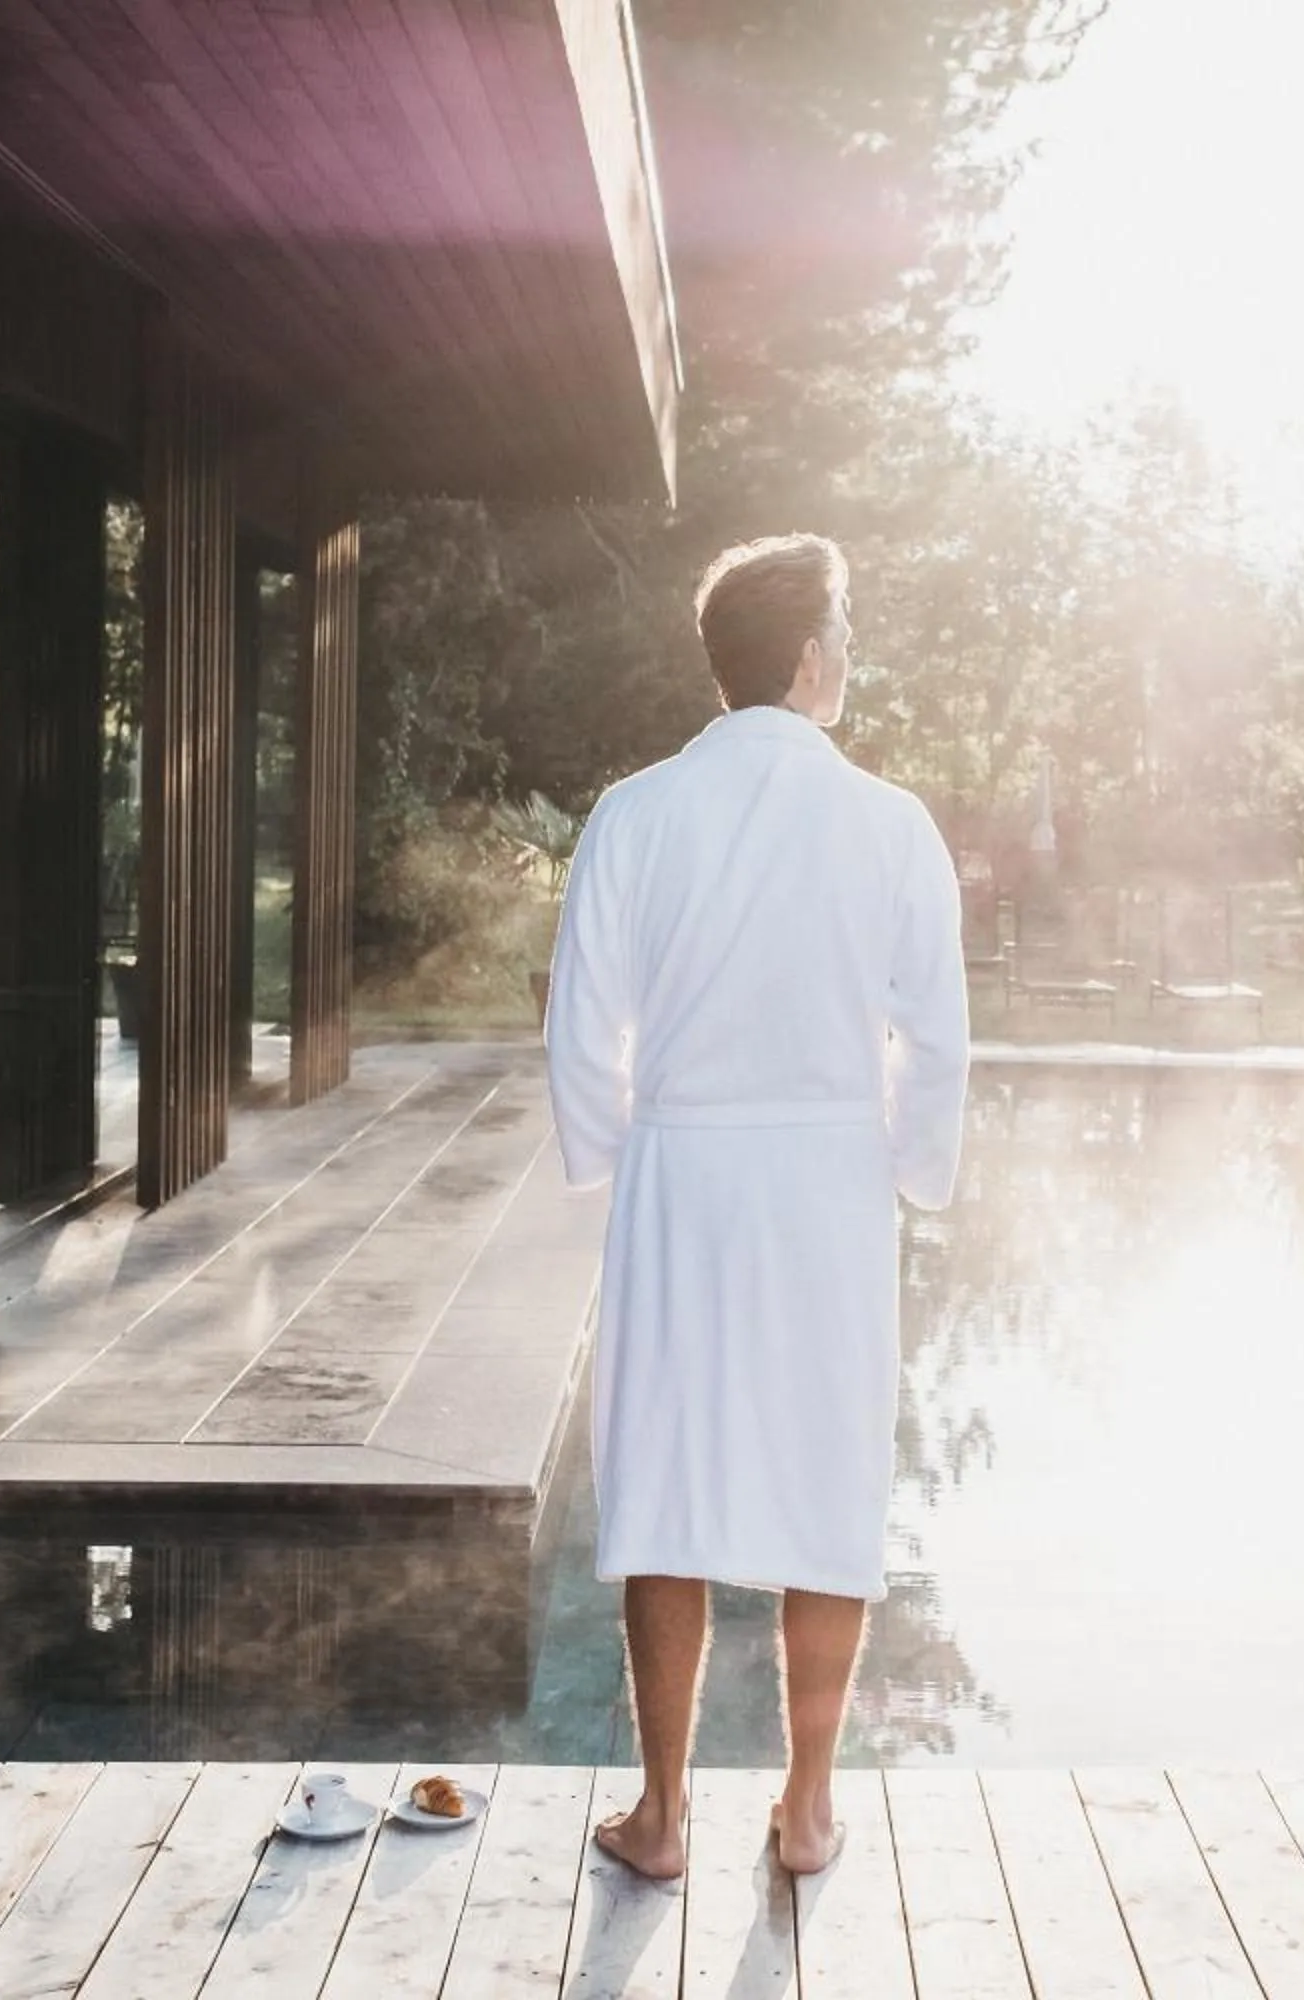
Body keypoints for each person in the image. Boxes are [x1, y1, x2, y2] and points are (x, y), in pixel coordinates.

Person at [545, 534, 970, 1880]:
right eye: (844, 630)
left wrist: (616, 1149)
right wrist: (911, 1170)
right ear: (807, 658)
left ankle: (664, 1816)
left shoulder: (635, 814)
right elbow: (938, 1039)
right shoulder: (891, 825)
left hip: (682, 1180)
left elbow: (579, 1022)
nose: (851, 653)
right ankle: (808, 1810)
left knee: (662, 1484)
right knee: (828, 1482)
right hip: (828, 1190)